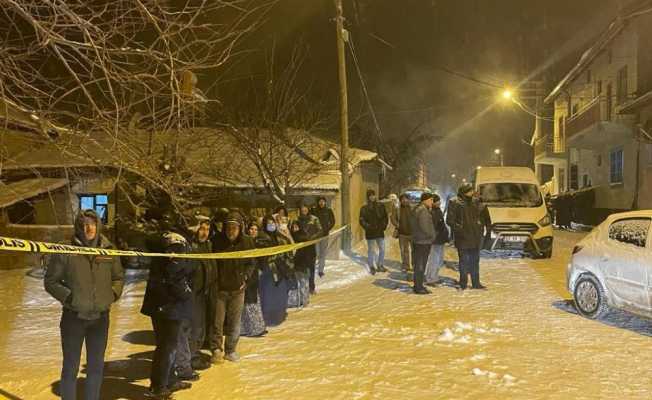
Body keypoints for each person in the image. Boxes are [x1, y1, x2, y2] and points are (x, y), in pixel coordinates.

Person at [44, 209, 124, 400]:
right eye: (84, 224)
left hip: (100, 319)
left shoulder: (108, 249)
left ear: (98, 226)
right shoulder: (65, 250)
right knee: (70, 368)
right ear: (78, 227)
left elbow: (118, 277)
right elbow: (50, 281)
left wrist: (112, 295)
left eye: (92, 224)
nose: (89, 228)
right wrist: (69, 298)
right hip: (74, 319)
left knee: (96, 368)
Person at [141, 227, 194, 399]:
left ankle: (170, 380)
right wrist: (188, 294)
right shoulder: (176, 245)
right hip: (168, 305)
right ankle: (158, 387)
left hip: (162, 304)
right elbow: (174, 276)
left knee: (168, 345)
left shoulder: (164, 243)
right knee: (166, 347)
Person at [209, 211, 256, 363]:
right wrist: (214, 281)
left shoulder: (247, 242)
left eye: (234, 228)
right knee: (217, 322)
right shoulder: (216, 241)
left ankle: (231, 349)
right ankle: (216, 349)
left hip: (238, 289)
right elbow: (211, 262)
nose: (231, 231)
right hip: (220, 290)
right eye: (229, 227)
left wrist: (245, 277)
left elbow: (252, 262)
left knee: (234, 322)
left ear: (240, 228)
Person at [446, 183, 489, 290]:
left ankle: (476, 283)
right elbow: (450, 220)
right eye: (470, 190)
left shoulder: (476, 202)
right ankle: (463, 283)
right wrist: (460, 229)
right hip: (463, 238)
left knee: (475, 262)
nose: (472, 192)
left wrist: (481, 227)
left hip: (475, 237)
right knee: (464, 262)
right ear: (464, 191)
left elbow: (483, 217)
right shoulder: (455, 202)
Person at [188, 219, 215, 371]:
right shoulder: (191, 247)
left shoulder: (208, 245)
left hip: (205, 291)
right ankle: (191, 358)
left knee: (201, 326)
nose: (204, 232)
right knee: (194, 327)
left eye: (207, 229)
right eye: (202, 229)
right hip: (193, 292)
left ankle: (195, 353)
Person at [259, 214, 293, 326]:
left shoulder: (281, 237)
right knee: (268, 296)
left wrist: (287, 266)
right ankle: (268, 318)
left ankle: (280, 315)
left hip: (281, 270)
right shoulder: (261, 239)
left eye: (272, 223)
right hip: (267, 272)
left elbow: (289, 251)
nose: (271, 225)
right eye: (268, 223)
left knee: (280, 295)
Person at [240, 222, 269, 337]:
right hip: (246, 275)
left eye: (255, 229)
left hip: (255, 275)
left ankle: (257, 327)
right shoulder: (244, 243)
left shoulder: (261, 243)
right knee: (246, 302)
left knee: (253, 301)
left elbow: (264, 259)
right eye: (251, 229)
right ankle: (247, 328)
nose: (253, 231)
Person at [293, 202, 323, 294]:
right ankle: (301, 287)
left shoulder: (314, 219)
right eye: (302, 209)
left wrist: (312, 238)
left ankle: (311, 287)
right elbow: (294, 232)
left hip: (310, 247)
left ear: (308, 209)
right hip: (300, 247)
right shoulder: (296, 220)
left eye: (305, 208)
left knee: (311, 268)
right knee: (300, 268)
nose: (304, 210)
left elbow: (320, 231)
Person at [411, 193, 436, 294]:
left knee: (419, 264)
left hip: (419, 240)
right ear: (425, 200)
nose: (432, 202)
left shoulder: (419, 209)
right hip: (423, 241)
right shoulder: (423, 210)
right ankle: (418, 287)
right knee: (420, 265)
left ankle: (419, 285)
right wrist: (432, 235)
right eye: (431, 200)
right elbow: (425, 227)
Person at [359, 189, 389, 274]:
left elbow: (385, 217)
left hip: (379, 231)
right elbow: (361, 220)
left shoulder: (380, 206)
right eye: (370, 195)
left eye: (373, 195)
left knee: (382, 249)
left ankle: (380, 265)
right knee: (371, 250)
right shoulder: (364, 208)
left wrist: (384, 226)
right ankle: (371, 266)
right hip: (370, 232)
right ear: (368, 197)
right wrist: (368, 227)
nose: (372, 197)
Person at [425, 194, 449, 286]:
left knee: (439, 260)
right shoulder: (431, 212)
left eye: (439, 201)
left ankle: (435, 276)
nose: (439, 202)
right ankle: (430, 278)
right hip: (435, 240)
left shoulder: (438, 210)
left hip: (440, 239)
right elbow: (433, 227)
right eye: (437, 201)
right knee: (433, 260)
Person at [311, 196, 335, 278]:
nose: (321, 203)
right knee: (316, 253)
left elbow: (333, 221)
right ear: (318, 202)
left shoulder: (328, 210)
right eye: (320, 201)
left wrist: (327, 228)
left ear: (325, 202)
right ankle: (313, 268)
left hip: (325, 235)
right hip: (316, 236)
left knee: (323, 253)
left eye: (323, 201)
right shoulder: (314, 211)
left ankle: (321, 270)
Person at [391, 193, 413, 273]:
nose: (405, 200)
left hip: (412, 233)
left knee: (414, 250)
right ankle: (406, 266)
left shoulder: (413, 208)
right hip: (402, 233)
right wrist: (397, 225)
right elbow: (393, 218)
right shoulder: (397, 208)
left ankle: (414, 265)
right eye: (403, 199)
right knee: (404, 251)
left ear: (409, 199)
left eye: (406, 199)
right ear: (400, 200)